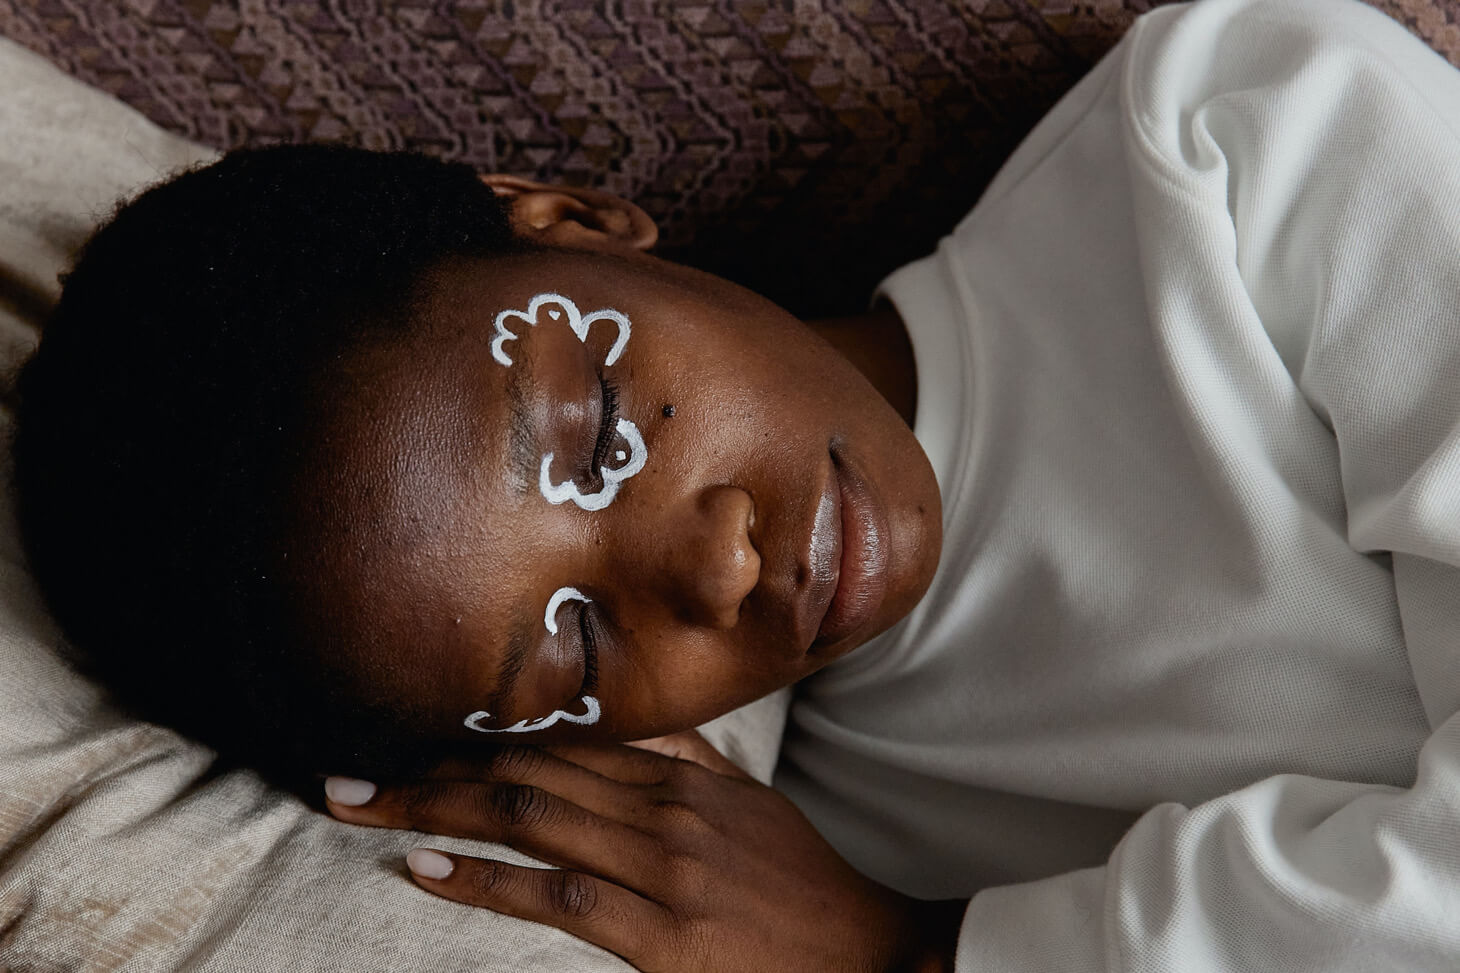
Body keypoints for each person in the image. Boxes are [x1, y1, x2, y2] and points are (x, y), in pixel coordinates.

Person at [14, 0, 1460, 968]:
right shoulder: (789, 855)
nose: (708, 572)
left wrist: (930, 952)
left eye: (585, 431)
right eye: (573, 643)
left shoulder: (1216, 144)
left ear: (575, 220)